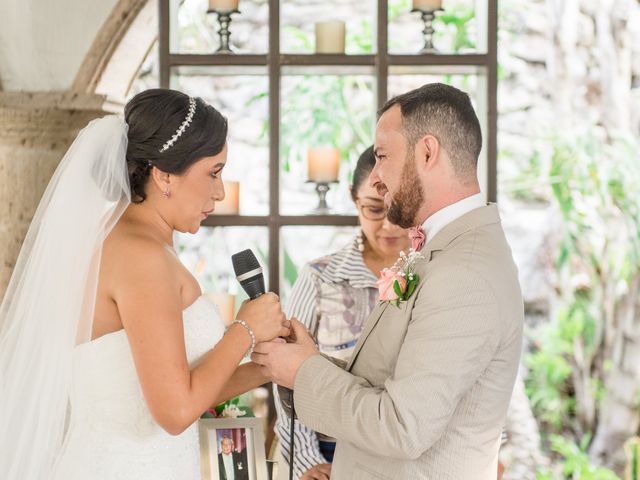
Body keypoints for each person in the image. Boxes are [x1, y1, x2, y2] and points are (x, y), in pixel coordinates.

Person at [0, 89, 289, 479]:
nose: (220, 191)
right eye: (214, 173)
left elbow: (166, 391)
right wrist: (246, 328)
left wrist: (270, 367)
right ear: (164, 174)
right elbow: (174, 412)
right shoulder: (142, 256)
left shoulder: (133, 242)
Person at [253, 83, 524, 479]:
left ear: (427, 152)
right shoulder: (442, 250)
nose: (377, 177)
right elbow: (385, 380)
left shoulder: (464, 273)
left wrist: (304, 371)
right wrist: (309, 358)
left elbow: (402, 427)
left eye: (382, 156)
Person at [273, 146, 411, 479]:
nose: (389, 226)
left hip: (408, 452)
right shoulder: (320, 277)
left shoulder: (434, 278)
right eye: (374, 209)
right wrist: (308, 461)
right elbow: (287, 377)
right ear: (353, 199)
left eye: (400, 211)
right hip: (329, 452)